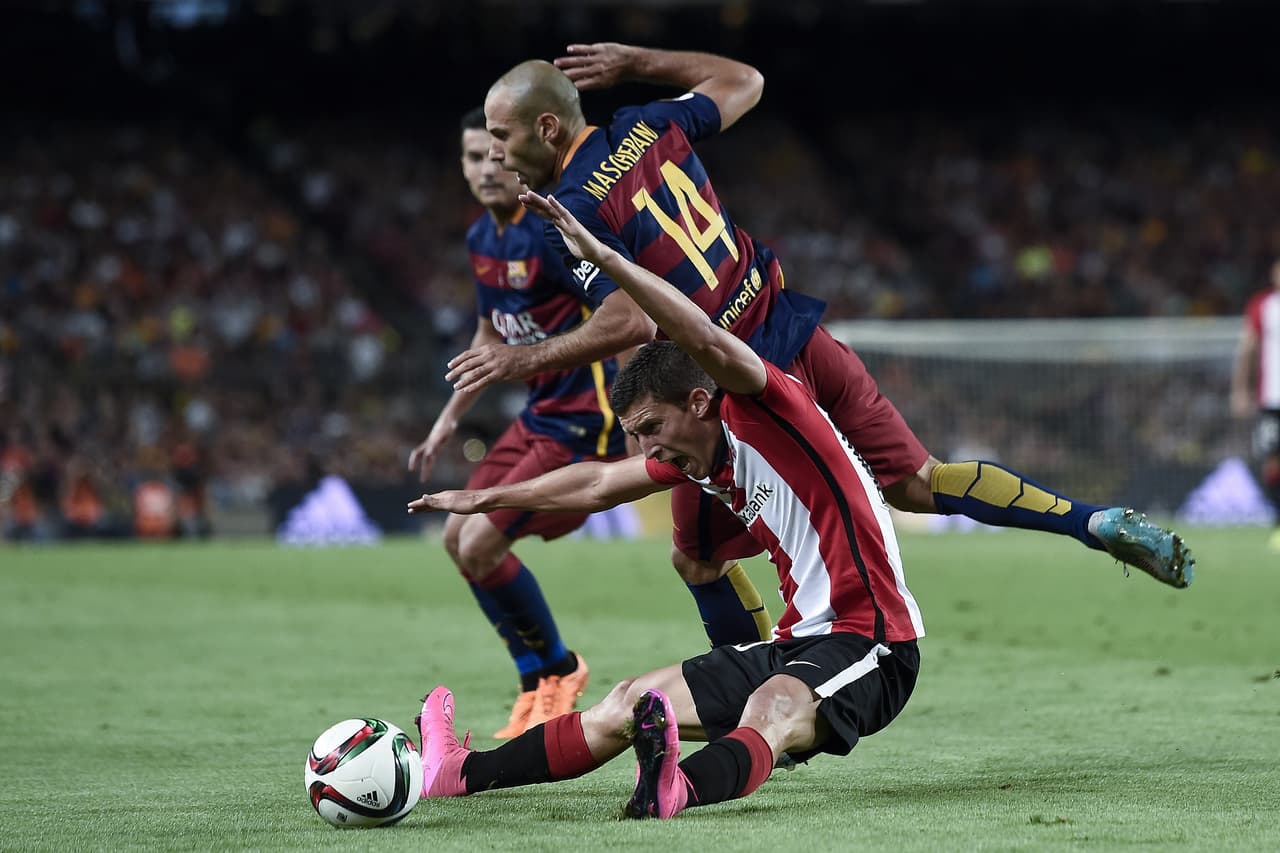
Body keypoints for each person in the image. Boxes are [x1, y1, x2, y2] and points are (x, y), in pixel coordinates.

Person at [446, 42, 1193, 639]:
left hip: (743, 383)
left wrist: (520, 359)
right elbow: (743, 79)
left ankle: (755, 682)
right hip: (796, 326)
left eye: (504, 137)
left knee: (697, 557)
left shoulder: (570, 209)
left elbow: (628, 322)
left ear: (547, 127)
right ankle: (1089, 520)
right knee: (918, 479)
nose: (499, 155)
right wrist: (636, 61)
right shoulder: (647, 124)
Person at [407, 190, 923, 819]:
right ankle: (455, 773)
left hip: (874, 642)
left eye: (651, 426)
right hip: (795, 641)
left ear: (699, 404)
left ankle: (674, 790)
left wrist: (603, 257)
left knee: (775, 705)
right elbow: (595, 485)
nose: (647, 447)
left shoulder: (767, 405)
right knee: (627, 700)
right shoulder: (694, 455)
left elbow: (698, 331)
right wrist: (485, 496)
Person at [406, 108, 645, 739]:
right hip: (538, 415)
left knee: (481, 542)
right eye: (470, 158)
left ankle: (561, 669)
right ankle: (536, 677)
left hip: (583, 424)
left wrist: (637, 418)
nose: (485, 168)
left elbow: (622, 316)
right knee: (457, 541)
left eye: (493, 154)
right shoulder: (482, 240)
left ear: (514, 156)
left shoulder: (552, 230)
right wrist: (445, 422)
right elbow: (491, 332)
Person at [1230, 258, 1280, 549]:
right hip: (1272, 398)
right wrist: (1240, 389)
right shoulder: (1263, 305)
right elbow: (1247, 347)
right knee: (1272, 461)